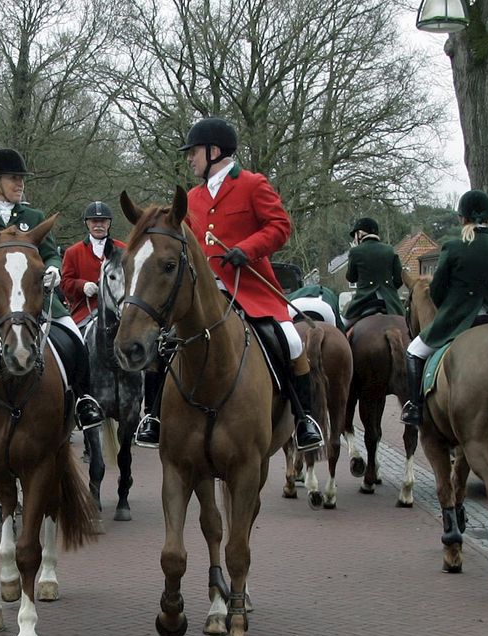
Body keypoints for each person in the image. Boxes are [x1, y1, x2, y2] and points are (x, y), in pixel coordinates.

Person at [153, 116, 322, 452]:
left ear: (214, 151)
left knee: (291, 342)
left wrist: (247, 249)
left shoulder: (252, 183)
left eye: (194, 151)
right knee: (163, 343)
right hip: (201, 293)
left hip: (249, 288)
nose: (190, 158)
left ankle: (305, 421)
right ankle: (153, 415)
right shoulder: (191, 197)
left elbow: (279, 226)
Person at [0, 149, 105, 433]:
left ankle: (83, 399)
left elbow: (51, 254)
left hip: (34, 297)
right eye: (14, 178)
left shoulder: (33, 216)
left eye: (22, 179)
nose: (20, 184)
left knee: (75, 338)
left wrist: (53, 269)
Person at [401, 189, 488, 426]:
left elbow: (438, 290)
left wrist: (448, 309)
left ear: (462, 218)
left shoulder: (453, 247)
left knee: (414, 351)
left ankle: (415, 407)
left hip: (460, 320)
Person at [61, 201, 126, 327]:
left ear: (109, 223)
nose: (98, 225)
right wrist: (82, 286)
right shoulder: (73, 252)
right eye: (94, 221)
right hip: (86, 311)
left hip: (119, 309)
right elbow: (65, 284)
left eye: (103, 221)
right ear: (87, 223)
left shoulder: (124, 249)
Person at [342, 217, 405, 325]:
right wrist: (389, 287)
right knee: (408, 327)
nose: (354, 239)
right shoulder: (389, 249)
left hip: (363, 299)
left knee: (342, 326)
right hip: (390, 301)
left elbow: (351, 278)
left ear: (360, 233)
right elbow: (399, 278)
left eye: (355, 235)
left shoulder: (355, 251)